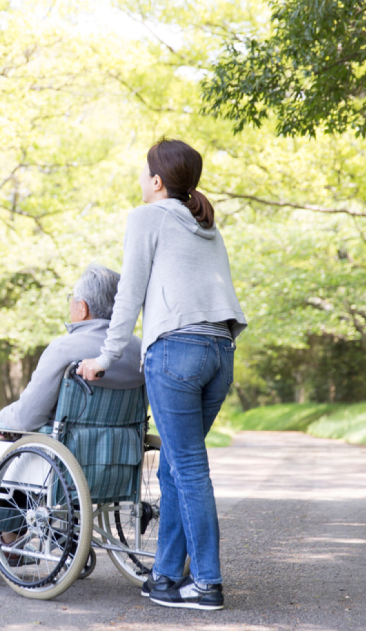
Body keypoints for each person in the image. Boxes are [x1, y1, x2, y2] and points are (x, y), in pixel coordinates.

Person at [77, 138, 247, 611]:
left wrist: (105, 358)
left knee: (188, 468)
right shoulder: (205, 225)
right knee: (175, 465)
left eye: (143, 172)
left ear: (156, 181)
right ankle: (167, 576)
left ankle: (207, 583)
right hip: (220, 351)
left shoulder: (147, 216)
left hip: (176, 351)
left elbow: (128, 295)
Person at [0, 264, 144, 562]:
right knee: (27, 446)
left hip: (61, 461)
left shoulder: (65, 348)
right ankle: (10, 536)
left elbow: (24, 419)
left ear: (82, 308)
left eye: (71, 298)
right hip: (117, 460)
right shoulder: (139, 351)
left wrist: (2, 418)